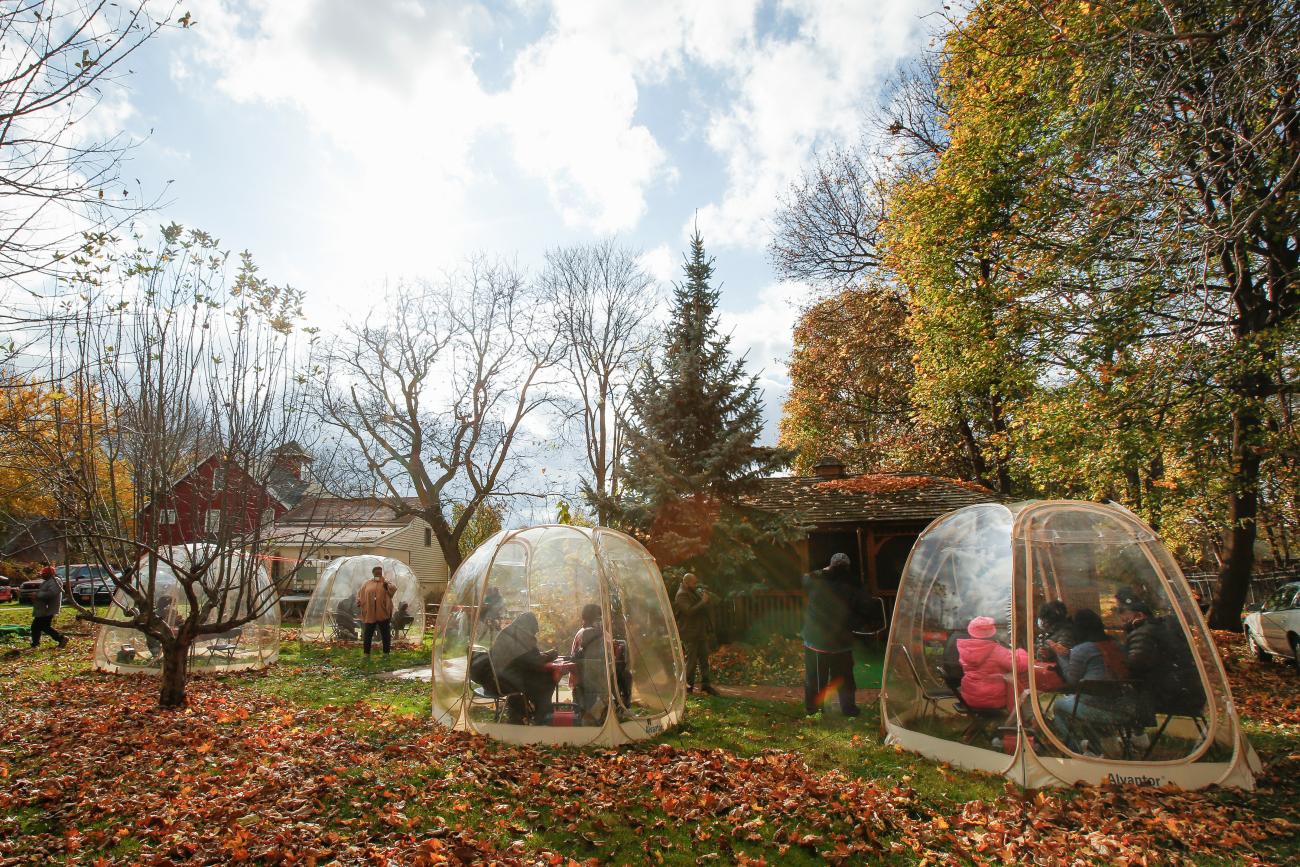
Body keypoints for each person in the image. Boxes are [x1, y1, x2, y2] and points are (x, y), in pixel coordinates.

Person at [1049, 608, 1134, 752]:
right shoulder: (1116, 645)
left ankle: (1077, 751)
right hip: (1125, 708)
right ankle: (1097, 746)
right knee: (1075, 700)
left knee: (1059, 706)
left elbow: (1071, 681)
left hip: (1097, 709)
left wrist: (1062, 656)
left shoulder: (1081, 649)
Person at [1116, 587, 1205, 720]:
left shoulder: (1143, 634)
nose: (1120, 617)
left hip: (1166, 696)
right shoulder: (1165, 629)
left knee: (1114, 700)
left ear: (1140, 615)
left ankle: (1136, 736)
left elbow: (1135, 665)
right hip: (1192, 693)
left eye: (1122, 611)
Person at [801, 553, 872, 717]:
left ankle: (814, 710)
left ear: (830, 566)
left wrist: (824, 570)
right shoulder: (854, 584)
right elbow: (866, 607)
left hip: (815, 641)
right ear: (847, 568)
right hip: (842, 643)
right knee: (845, 678)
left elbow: (805, 578)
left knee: (815, 678)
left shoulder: (815, 580)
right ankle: (849, 710)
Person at [490, 612, 558, 724]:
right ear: (529, 627)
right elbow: (534, 662)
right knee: (547, 679)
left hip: (497, 677)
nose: (533, 635)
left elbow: (525, 657)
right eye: (533, 631)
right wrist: (550, 656)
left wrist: (544, 655)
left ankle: (522, 711)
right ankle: (541, 714)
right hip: (507, 681)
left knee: (540, 677)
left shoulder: (510, 631)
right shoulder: (520, 634)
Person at [955, 615, 1029, 711]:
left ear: (971, 632)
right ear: (992, 633)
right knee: (1024, 687)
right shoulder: (996, 650)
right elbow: (1020, 666)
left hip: (970, 696)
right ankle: (1023, 719)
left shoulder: (965, 649)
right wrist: (1020, 652)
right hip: (992, 699)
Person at [674, 572, 719, 696]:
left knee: (704, 660)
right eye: (694, 583)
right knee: (692, 662)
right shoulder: (681, 595)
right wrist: (703, 602)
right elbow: (689, 611)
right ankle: (688, 687)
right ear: (686, 582)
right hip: (690, 633)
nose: (696, 585)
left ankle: (706, 685)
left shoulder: (693, 592)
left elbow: (703, 608)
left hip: (700, 632)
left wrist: (705, 600)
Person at [571, 603, 609, 723]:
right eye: (599, 617)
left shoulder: (580, 633)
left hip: (581, 679)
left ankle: (587, 716)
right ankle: (595, 716)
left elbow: (574, 656)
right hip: (596, 679)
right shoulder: (601, 634)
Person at [356, 565, 397, 656]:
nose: (378, 574)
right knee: (368, 633)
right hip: (370, 612)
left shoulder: (386, 582)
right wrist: (359, 601)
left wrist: (387, 586)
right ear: (373, 573)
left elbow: (393, 589)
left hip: (382, 612)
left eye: (380, 572)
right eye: (376, 572)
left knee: (385, 633)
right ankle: (366, 653)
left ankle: (386, 652)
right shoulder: (367, 583)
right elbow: (360, 593)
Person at [30, 565, 68, 648]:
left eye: (44, 573)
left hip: (48, 608)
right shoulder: (47, 581)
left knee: (42, 626)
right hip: (43, 608)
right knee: (37, 627)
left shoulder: (55, 581)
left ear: (50, 574)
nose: (42, 575)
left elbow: (51, 593)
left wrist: (37, 595)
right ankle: (35, 643)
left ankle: (61, 639)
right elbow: (43, 593)